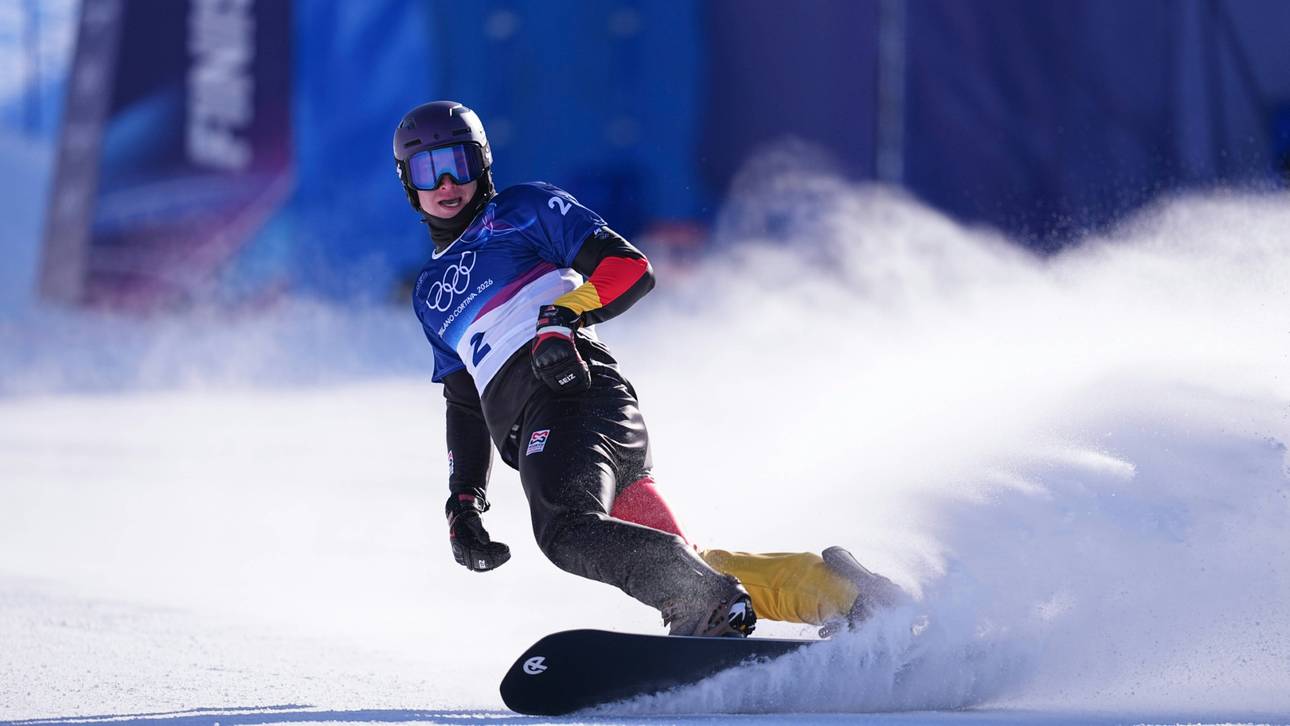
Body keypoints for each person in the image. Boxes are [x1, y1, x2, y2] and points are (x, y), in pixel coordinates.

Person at [396, 100, 904, 638]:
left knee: (567, 530)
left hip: (573, 399)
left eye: (460, 162)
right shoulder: (429, 293)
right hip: (553, 431)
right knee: (687, 560)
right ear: (409, 182)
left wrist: (562, 315)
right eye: (430, 169)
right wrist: (463, 501)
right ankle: (846, 595)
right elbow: (464, 404)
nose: (448, 181)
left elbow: (629, 267)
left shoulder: (522, 210)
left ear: (484, 163)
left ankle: (702, 603)